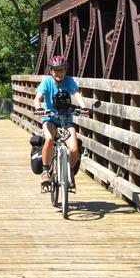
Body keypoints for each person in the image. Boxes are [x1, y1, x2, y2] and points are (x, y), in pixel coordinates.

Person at [33, 55, 90, 190]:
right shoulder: (47, 82)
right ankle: (46, 171)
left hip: (66, 119)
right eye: (56, 70)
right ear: (51, 71)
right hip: (50, 118)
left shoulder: (69, 81)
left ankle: (69, 173)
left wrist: (83, 107)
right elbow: (37, 98)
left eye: (62, 70)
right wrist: (39, 108)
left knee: (74, 148)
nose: (59, 73)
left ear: (66, 70)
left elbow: (76, 93)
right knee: (49, 140)